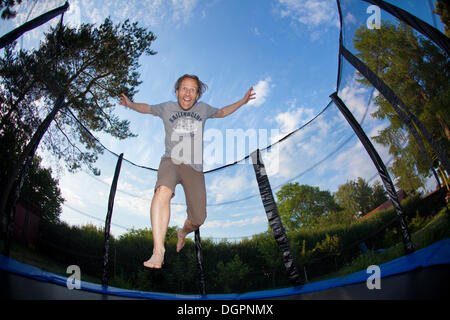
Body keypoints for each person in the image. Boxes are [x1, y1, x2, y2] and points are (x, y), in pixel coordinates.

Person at [119, 74, 255, 268]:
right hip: (171, 160)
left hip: (194, 168)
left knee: (198, 218)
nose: (188, 93)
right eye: (184, 88)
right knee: (162, 191)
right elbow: (147, 108)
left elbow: (223, 112)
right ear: (177, 92)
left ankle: (182, 232)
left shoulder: (203, 109)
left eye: (192, 90)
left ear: (197, 95)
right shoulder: (166, 107)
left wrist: (242, 101)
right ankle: (158, 251)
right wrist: (131, 105)